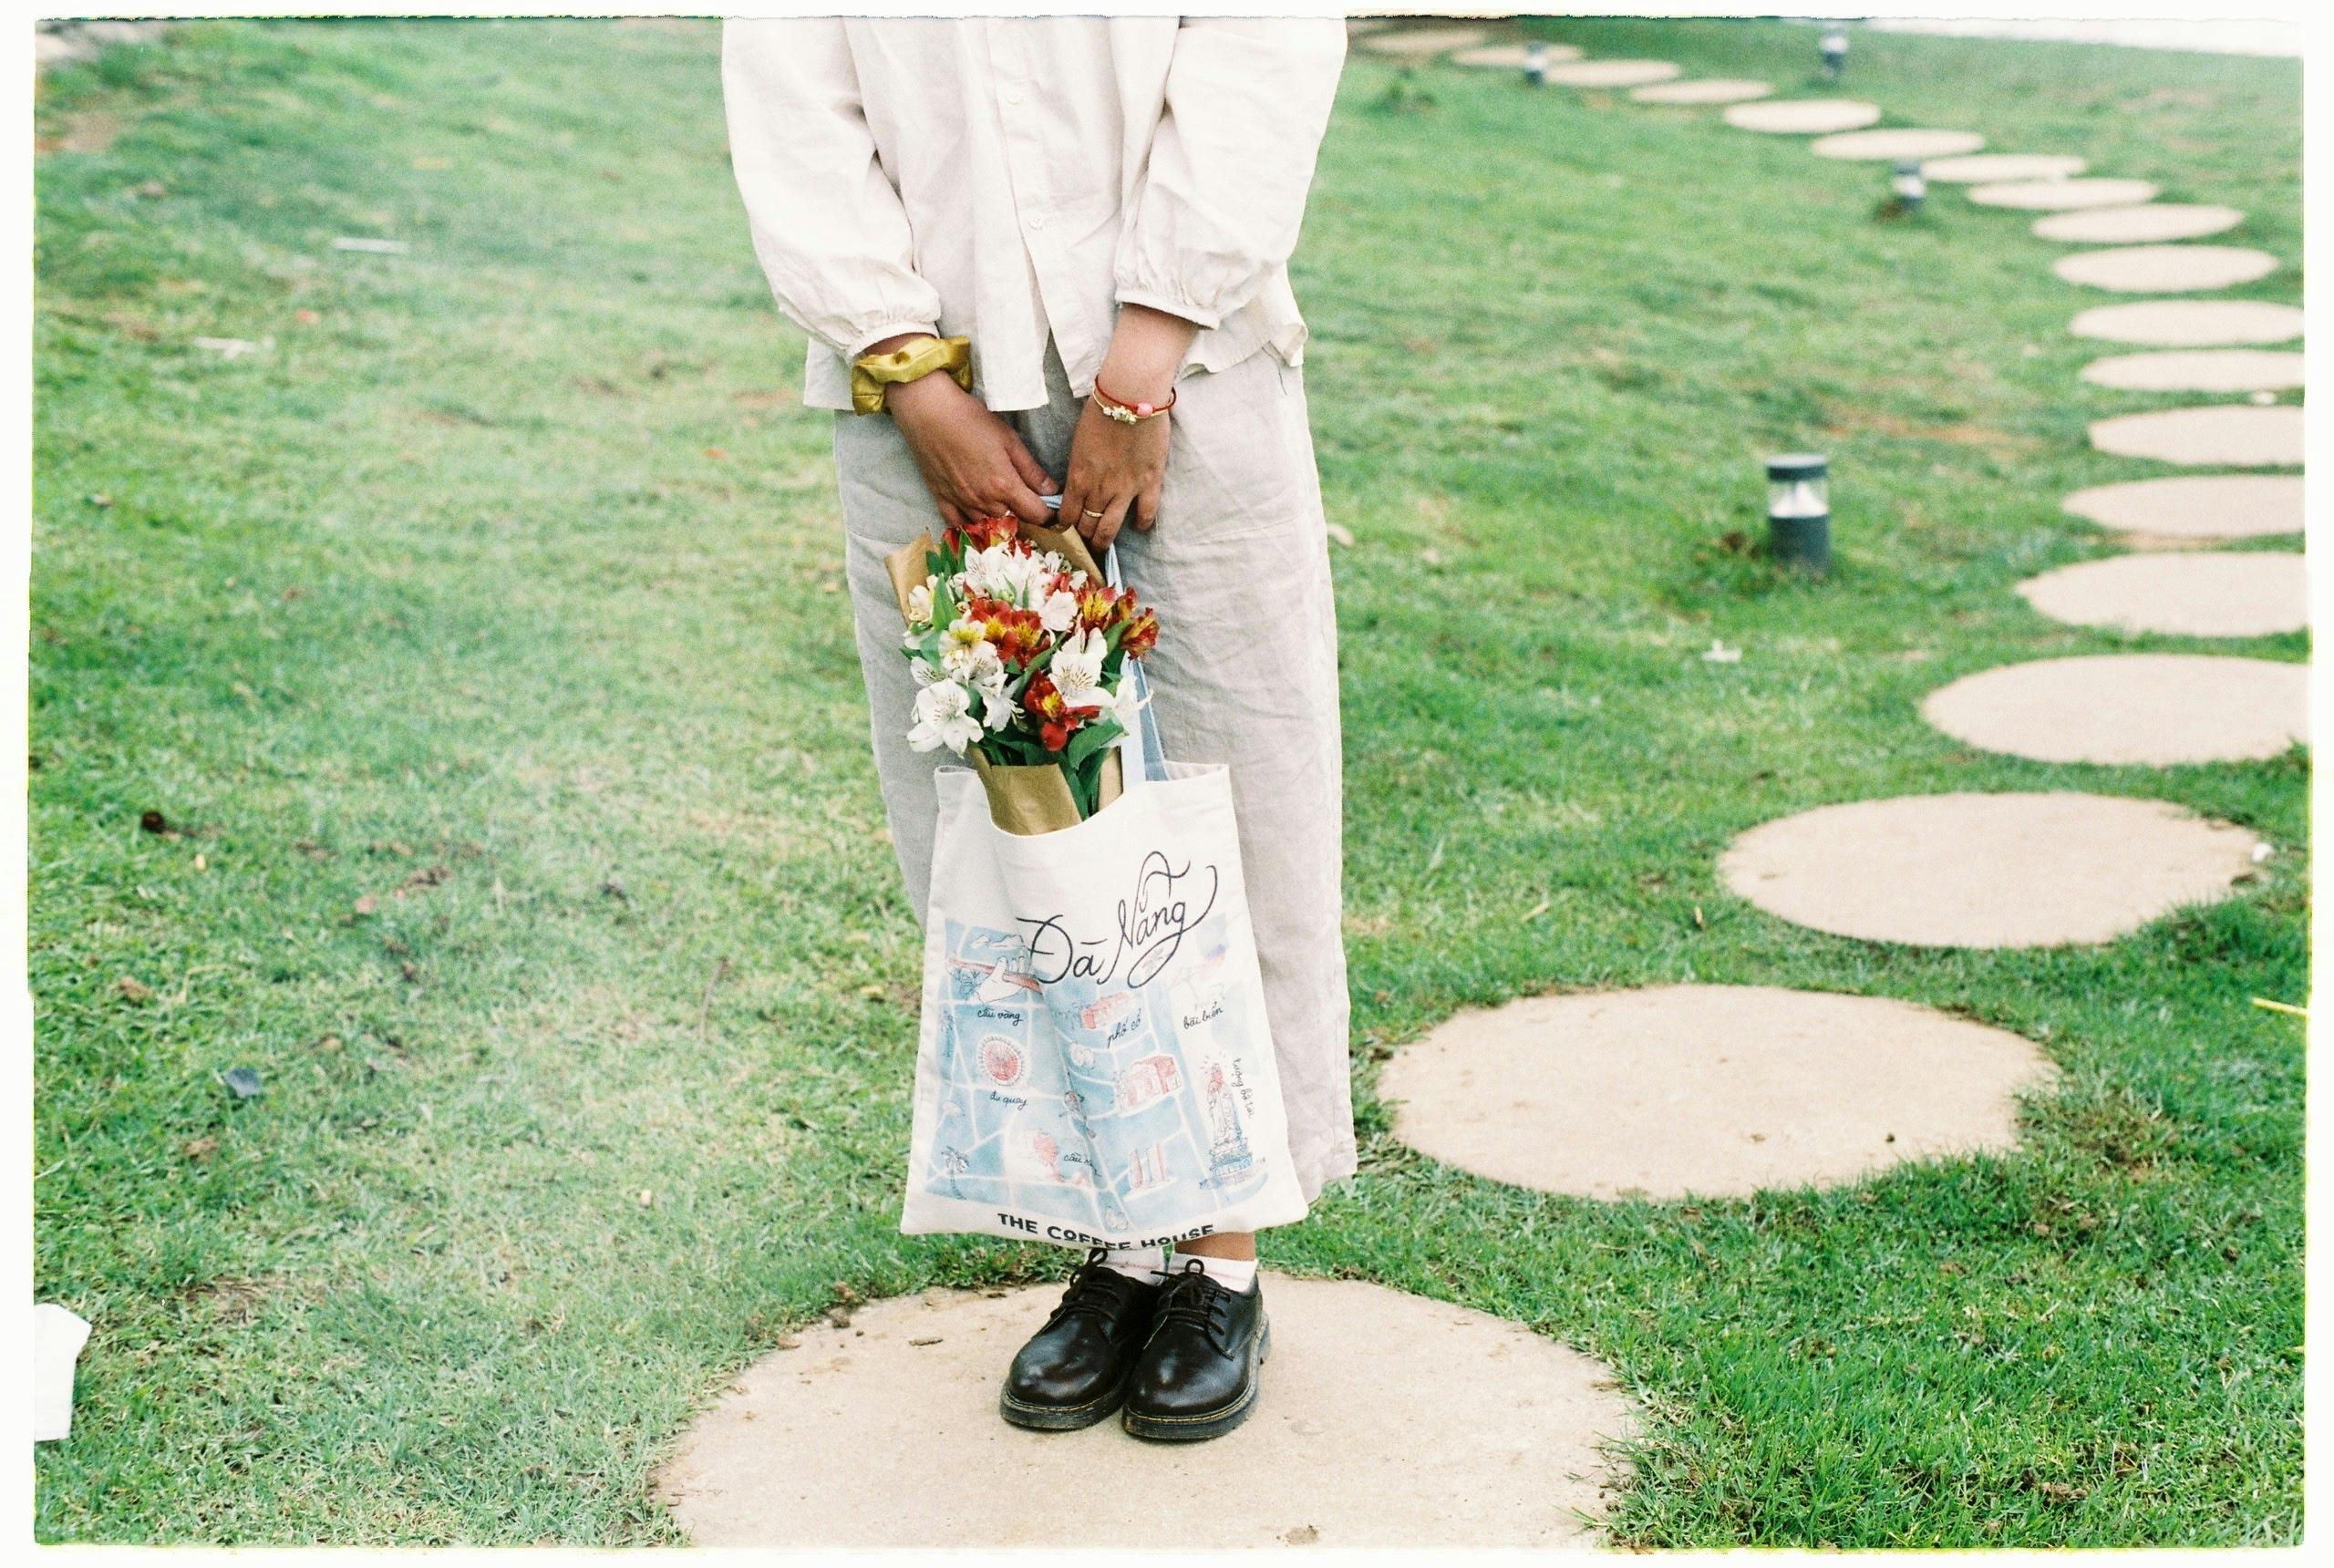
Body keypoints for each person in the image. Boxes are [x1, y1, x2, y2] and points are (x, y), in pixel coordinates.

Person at [723, 16, 1352, 1442]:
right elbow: (796, 107)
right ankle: (1116, 1238)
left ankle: (1221, 1253)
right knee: (1005, 815)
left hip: (1192, 358)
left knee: (1227, 785)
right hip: (922, 396)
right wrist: (916, 381)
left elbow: (1261, 56)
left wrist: (1143, 364)